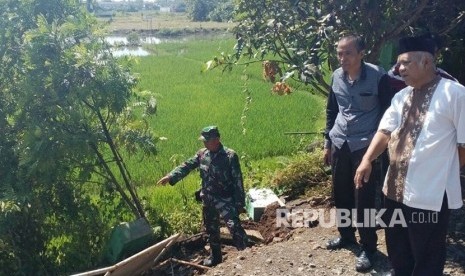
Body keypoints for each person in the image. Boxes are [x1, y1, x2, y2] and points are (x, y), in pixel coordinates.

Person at [355, 36, 465, 276]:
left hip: (430, 195)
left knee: (427, 254)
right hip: (394, 189)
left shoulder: (455, 94)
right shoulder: (401, 97)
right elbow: (384, 131)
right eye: (398, 64)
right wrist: (367, 160)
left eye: (405, 63)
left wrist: (444, 172)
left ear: (426, 61)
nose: (399, 69)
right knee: (397, 247)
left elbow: (464, 144)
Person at [323, 34, 393, 272]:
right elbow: (332, 111)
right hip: (340, 143)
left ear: (361, 54)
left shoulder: (378, 77)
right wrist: (327, 143)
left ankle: (369, 248)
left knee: (363, 199)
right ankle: (346, 236)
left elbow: (388, 114)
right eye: (339, 53)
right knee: (340, 193)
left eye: (348, 53)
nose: (342, 58)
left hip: (365, 146)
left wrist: (379, 152)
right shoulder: (335, 77)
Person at [157, 126, 248, 267]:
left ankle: (248, 256)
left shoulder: (230, 156)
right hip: (208, 198)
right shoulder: (202, 154)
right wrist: (170, 176)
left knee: (234, 227)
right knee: (211, 230)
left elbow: (238, 181)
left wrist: (239, 204)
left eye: (207, 141)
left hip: (225, 199)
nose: (204, 143)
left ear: (216, 140)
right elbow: (187, 165)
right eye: (204, 141)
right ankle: (216, 258)